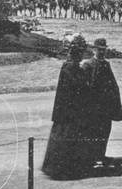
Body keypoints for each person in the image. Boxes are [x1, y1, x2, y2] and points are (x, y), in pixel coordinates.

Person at [41, 35, 95, 179]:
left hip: (68, 110)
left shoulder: (71, 66)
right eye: (81, 52)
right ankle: (63, 169)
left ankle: (64, 168)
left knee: (65, 137)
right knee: (67, 138)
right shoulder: (71, 67)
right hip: (69, 111)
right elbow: (77, 86)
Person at [83, 37, 122, 167]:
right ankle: (92, 158)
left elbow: (113, 85)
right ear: (94, 50)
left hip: (105, 107)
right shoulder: (88, 65)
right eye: (99, 50)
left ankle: (101, 155)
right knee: (93, 132)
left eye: (103, 50)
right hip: (93, 107)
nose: (102, 52)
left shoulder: (106, 64)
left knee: (104, 132)